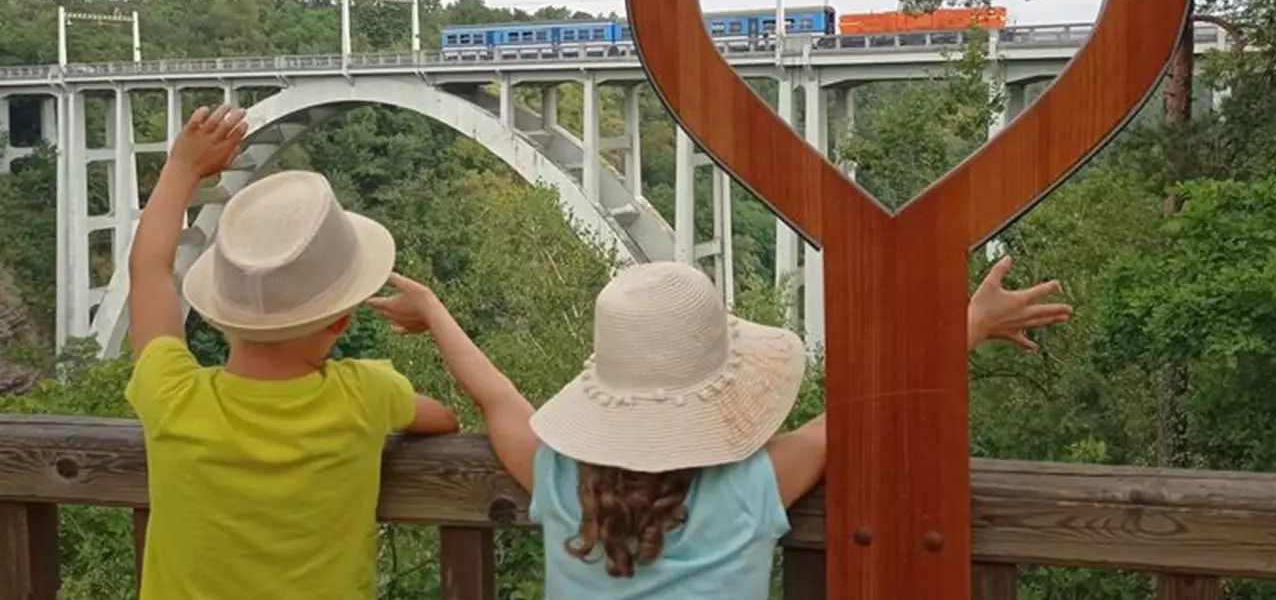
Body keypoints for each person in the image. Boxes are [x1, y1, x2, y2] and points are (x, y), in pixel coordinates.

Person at [370, 254, 1069, 599]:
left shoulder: (560, 480)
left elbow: (497, 400)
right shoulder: (752, 488)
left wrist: (435, 314)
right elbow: (871, 407)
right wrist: (969, 326)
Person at [124, 103, 460, 600]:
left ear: (221, 315)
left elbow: (148, 270)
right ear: (342, 319)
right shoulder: (366, 394)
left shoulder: (171, 396)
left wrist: (182, 167)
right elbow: (444, 420)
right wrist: (432, 315)